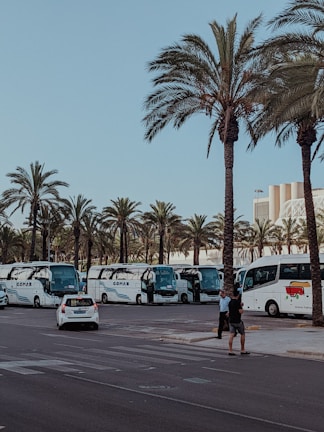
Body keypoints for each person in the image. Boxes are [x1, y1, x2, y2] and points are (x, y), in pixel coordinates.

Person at [228, 288, 250, 356]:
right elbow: (241, 311)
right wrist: (241, 307)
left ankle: (230, 350)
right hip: (238, 321)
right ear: (238, 295)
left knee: (231, 335)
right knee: (242, 334)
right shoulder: (237, 303)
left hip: (231, 321)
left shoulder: (230, 302)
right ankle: (242, 349)